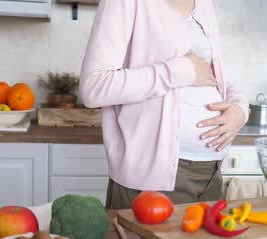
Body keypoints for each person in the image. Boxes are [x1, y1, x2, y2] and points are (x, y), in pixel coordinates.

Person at [80, 0, 249, 210]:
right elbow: (94, 86)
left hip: (211, 172)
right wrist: (181, 71)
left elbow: (211, 75)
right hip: (152, 180)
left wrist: (241, 108)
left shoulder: (204, 3)